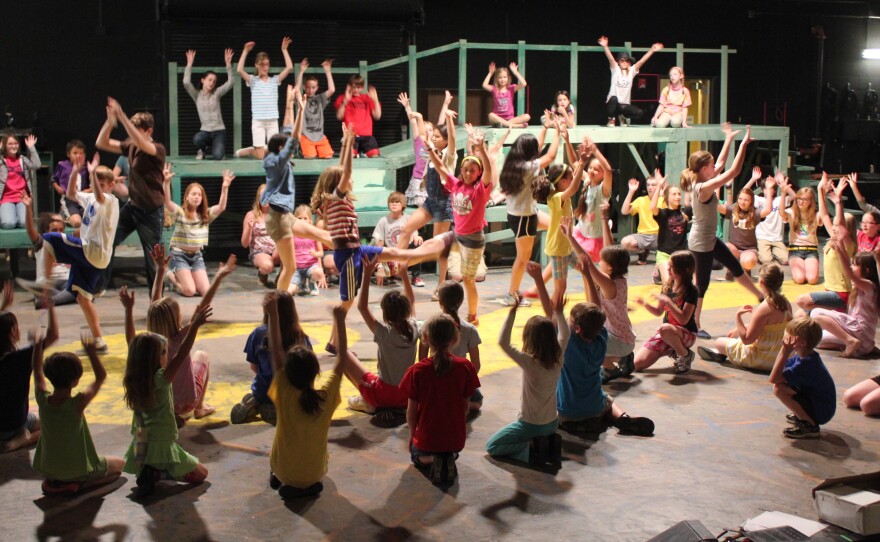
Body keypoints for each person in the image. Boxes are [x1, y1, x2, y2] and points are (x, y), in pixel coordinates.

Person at [123, 245, 234, 424]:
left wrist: (160, 271)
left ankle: (190, 409)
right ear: (176, 318)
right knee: (202, 356)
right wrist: (219, 277)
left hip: (158, 404)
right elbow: (203, 305)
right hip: (185, 405)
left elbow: (154, 304)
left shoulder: (147, 345)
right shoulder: (180, 337)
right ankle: (200, 406)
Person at [121, 304, 212, 498]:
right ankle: (158, 473)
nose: (167, 355)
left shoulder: (134, 377)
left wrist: (128, 310)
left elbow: (131, 341)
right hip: (161, 440)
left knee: (145, 464)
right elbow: (181, 353)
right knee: (202, 474)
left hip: (140, 439)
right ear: (156, 358)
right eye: (164, 352)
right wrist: (194, 327)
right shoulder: (161, 378)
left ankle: (147, 472)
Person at [486, 263, 567, 469]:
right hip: (552, 422)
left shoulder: (529, 362)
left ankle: (530, 449)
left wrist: (512, 311)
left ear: (528, 338)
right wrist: (559, 312)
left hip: (530, 424)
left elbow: (503, 342)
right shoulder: (558, 356)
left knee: (492, 446)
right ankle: (544, 442)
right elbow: (564, 334)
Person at [555, 269, 654, 436]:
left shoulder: (569, 345)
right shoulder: (602, 339)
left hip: (568, 413)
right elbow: (597, 309)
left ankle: (576, 424)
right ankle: (622, 417)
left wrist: (556, 308)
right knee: (607, 399)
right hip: (595, 407)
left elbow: (553, 317)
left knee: (551, 402)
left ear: (577, 329)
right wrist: (587, 275)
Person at [266, 300, 348, 500]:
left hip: (283, 469)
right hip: (315, 473)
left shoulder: (284, 392)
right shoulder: (324, 398)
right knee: (316, 464)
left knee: (277, 453)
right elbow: (343, 358)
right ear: (316, 372)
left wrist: (273, 316)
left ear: (287, 373)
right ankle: (309, 487)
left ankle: (281, 477)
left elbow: (276, 351)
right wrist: (340, 319)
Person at [687, 123, 763, 338]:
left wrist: (729, 139)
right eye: (710, 167)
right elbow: (734, 171)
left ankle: (759, 296)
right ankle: (695, 322)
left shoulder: (705, 180)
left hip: (709, 238)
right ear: (703, 170)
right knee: (701, 284)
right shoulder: (703, 187)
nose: (715, 168)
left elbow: (720, 164)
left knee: (734, 265)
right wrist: (743, 145)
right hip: (701, 242)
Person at [41, 152, 119, 355]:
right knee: (83, 298)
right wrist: (76, 171)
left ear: (110, 186)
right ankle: (100, 342)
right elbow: (70, 194)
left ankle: (43, 282)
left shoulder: (110, 200)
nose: (97, 187)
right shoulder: (92, 197)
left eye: (102, 184)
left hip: (91, 250)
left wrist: (92, 173)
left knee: (49, 238)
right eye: (95, 183)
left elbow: (101, 196)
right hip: (93, 257)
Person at [32, 332, 124, 495]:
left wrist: (38, 346)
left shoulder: (42, 399)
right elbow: (101, 377)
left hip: (49, 469)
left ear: (49, 376)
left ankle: (56, 483)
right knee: (120, 468)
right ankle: (79, 485)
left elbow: (37, 370)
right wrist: (91, 352)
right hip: (77, 471)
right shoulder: (77, 404)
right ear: (75, 381)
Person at [95, 97, 166, 297]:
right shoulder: (132, 147)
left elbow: (143, 143)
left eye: (137, 130)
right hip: (133, 208)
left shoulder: (157, 149)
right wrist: (110, 122)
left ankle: (157, 302)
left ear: (148, 131)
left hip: (151, 212)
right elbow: (101, 142)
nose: (131, 133)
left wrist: (123, 116)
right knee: (108, 240)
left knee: (153, 259)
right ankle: (98, 287)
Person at [262, 85, 330, 293]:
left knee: (324, 236)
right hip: (278, 219)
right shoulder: (276, 162)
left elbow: (288, 131)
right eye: (288, 146)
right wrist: (301, 111)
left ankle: (361, 256)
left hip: (286, 216)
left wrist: (290, 104)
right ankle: (277, 306)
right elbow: (294, 139)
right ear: (281, 148)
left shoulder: (278, 156)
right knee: (290, 267)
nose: (293, 150)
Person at [423, 124, 494, 324]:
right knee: (451, 271)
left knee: (468, 280)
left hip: (472, 240)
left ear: (478, 174)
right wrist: (429, 149)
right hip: (457, 236)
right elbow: (440, 167)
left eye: (473, 170)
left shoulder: (481, 190)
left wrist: (483, 150)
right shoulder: (456, 184)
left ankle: (472, 316)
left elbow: (488, 171)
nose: (469, 173)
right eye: (466, 169)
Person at [400, 313, 480, 486]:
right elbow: (465, 407)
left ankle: (430, 459)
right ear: (455, 339)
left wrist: (412, 435)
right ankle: (448, 456)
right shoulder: (465, 367)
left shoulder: (417, 371)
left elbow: (411, 412)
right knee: (451, 450)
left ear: (426, 338)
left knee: (415, 453)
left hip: (427, 439)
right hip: (456, 440)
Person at [395, 95, 459, 295]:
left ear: (445, 141)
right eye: (435, 136)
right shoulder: (431, 151)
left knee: (438, 246)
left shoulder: (449, 155)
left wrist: (448, 118)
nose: (434, 138)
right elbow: (423, 135)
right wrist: (417, 117)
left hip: (444, 204)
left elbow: (453, 140)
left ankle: (441, 286)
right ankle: (396, 262)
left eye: (439, 137)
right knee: (406, 228)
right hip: (431, 202)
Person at [499, 127, 562, 306]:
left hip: (527, 213)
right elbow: (549, 157)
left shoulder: (514, 163)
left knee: (559, 229)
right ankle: (512, 294)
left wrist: (545, 127)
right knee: (523, 259)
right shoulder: (527, 167)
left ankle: (545, 275)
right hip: (523, 218)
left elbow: (539, 149)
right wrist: (557, 132)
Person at [346, 258, 418, 414]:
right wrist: (404, 275)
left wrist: (366, 274)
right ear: (407, 310)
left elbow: (362, 307)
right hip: (407, 396)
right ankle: (371, 399)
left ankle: (368, 401)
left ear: (385, 314)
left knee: (343, 356)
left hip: (383, 396)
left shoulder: (384, 332)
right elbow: (411, 301)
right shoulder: (414, 327)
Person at [231, 290, 312, 425]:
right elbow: (309, 372)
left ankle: (258, 402)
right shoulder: (302, 338)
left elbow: (254, 366)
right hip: (293, 395)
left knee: (266, 397)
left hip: (265, 390)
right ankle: (271, 409)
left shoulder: (258, 334)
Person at [698, 263, 792, 371]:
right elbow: (772, 327)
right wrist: (742, 327)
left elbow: (747, 340)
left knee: (719, 342)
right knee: (735, 338)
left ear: (761, 282)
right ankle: (722, 353)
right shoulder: (786, 304)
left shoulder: (764, 308)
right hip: (780, 357)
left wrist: (738, 317)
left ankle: (721, 353)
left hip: (761, 359)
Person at [0, 283, 57, 453]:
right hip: (12, 426)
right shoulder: (20, 359)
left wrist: (4, 308)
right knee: (55, 422)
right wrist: (51, 307)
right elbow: (53, 336)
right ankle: (22, 440)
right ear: (12, 333)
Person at [164, 168, 234, 297]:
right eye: (193, 194)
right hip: (179, 255)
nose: (197, 197)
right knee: (190, 291)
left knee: (205, 292)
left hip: (196, 256)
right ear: (186, 197)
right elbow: (167, 202)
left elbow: (221, 207)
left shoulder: (205, 215)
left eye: (199, 195)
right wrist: (167, 182)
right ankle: (171, 277)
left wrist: (225, 188)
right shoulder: (181, 213)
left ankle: (185, 278)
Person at [419, 280, 483, 412]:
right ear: (461, 301)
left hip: (435, 379)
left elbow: (422, 360)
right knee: (477, 402)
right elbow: (476, 365)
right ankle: (456, 403)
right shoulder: (470, 329)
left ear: (440, 303)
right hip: (459, 381)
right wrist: (464, 383)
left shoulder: (428, 326)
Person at [795, 175, 856, 315]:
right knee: (799, 315)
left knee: (802, 300)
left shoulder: (847, 245)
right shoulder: (833, 239)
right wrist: (820, 190)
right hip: (829, 291)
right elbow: (824, 215)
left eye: (837, 225)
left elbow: (839, 225)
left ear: (846, 229)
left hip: (840, 295)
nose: (833, 227)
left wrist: (838, 202)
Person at [530, 153, 587, 300]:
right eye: (570, 177)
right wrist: (582, 164)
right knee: (560, 288)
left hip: (566, 247)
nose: (573, 179)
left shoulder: (560, 193)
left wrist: (580, 161)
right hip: (559, 249)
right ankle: (554, 316)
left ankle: (591, 302)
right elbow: (574, 187)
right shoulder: (556, 198)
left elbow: (574, 180)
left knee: (585, 268)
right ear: (562, 181)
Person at [632, 250, 699, 374]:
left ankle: (685, 355)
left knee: (664, 328)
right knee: (636, 364)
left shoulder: (691, 290)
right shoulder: (668, 287)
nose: (667, 268)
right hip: (667, 335)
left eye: (672, 266)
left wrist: (668, 302)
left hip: (686, 334)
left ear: (683, 269)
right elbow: (658, 312)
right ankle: (674, 349)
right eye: (668, 265)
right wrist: (644, 303)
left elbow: (683, 320)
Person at [768, 317, 836, 439]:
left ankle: (810, 425)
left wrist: (784, 352)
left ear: (802, 343)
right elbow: (779, 371)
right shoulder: (803, 356)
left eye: (788, 336)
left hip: (822, 410)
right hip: (818, 402)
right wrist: (784, 351)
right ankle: (803, 414)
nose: (784, 338)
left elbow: (774, 378)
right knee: (783, 385)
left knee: (779, 389)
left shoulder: (805, 364)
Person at [811, 244, 880, 357]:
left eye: (854, 265)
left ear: (866, 270)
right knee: (818, 340)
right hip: (863, 340)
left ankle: (850, 341)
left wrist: (838, 251)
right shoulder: (863, 286)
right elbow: (849, 271)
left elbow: (848, 273)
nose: (851, 267)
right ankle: (859, 345)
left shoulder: (869, 286)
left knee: (815, 313)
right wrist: (841, 248)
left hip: (859, 331)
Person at [235, 37, 294, 159]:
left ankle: (262, 147)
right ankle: (252, 150)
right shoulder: (253, 81)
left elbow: (289, 68)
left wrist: (284, 49)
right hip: (258, 121)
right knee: (261, 156)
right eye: (261, 64)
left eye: (266, 64)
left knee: (274, 154)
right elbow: (239, 70)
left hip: (272, 120)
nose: (264, 67)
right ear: (256, 65)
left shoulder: (274, 80)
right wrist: (245, 51)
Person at [18, 196, 76, 309]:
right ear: (46, 231)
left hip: (66, 281)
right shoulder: (42, 242)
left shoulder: (68, 243)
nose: (58, 233)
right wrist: (28, 208)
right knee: (44, 288)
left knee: (77, 287)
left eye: (61, 230)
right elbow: (30, 230)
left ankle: (46, 301)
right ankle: (68, 297)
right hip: (47, 283)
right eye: (54, 230)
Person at [599, 36, 663, 126]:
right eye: (622, 61)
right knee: (613, 98)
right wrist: (605, 46)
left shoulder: (631, 71)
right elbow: (610, 59)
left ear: (629, 63)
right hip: (612, 104)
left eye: (627, 61)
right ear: (618, 62)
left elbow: (641, 61)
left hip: (623, 105)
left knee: (639, 113)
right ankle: (611, 119)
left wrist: (652, 50)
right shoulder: (615, 70)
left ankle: (622, 117)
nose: (624, 62)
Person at [184, 48, 234, 160]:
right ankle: (202, 149)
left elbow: (230, 82)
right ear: (203, 80)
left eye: (214, 81)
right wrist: (189, 64)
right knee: (197, 138)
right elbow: (186, 83)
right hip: (205, 131)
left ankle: (218, 149)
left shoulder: (217, 93)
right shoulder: (197, 95)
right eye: (209, 80)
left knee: (218, 156)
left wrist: (228, 65)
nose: (212, 83)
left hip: (219, 131)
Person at [717, 182, 773, 277]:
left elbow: (767, 210)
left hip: (749, 249)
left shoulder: (755, 213)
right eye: (740, 199)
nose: (742, 202)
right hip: (734, 247)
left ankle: (745, 270)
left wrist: (769, 191)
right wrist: (715, 187)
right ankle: (732, 268)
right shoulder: (733, 210)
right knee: (725, 247)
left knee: (748, 261)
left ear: (751, 201)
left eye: (746, 200)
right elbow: (718, 207)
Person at [572, 137, 613, 263]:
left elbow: (608, 171)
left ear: (602, 175)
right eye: (590, 168)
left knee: (597, 270)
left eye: (596, 169)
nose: (592, 171)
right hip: (582, 233)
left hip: (596, 238)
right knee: (585, 268)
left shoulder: (603, 190)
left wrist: (595, 150)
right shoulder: (588, 182)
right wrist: (567, 140)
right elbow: (574, 163)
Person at [371, 191, 423, 287]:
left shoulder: (408, 219)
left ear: (402, 204)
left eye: (397, 202)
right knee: (371, 251)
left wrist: (417, 236)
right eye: (391, 202)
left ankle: (415, 277)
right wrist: (380, 265)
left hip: (406, 255)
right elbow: (379, 245)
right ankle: (390, 275)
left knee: (418, 243)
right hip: (391, 256)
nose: (394, 204)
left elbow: (415, 235)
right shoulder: (383, 221)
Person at [651, 174, 691, 284]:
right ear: (667, 197)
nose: (678, 196)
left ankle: (662, 272)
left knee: (681, 284)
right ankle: (659, 271)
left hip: (679, 255)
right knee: (669, 282)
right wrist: (659, 186)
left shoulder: (684, 212)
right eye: (674, 194)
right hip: (664, 254)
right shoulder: (663, 213)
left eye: (679, 194)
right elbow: (652, 207)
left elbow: (691, 202)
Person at [293, 58, 335, 159]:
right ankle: (301, 149)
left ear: (317, 88)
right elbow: (296, 90)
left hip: (320, 136)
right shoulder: (302, 99)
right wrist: (301, 71)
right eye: (308, 87)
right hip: (306, 136)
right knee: (309, 157)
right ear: (304, 87)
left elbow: (332, 90)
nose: (310, 90)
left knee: (328, 156)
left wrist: (328, 71)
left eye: (313, 87)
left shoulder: (320, 99)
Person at [620, 171, 665, 265]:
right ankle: (642, 251)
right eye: (648, 185)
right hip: (643, 236)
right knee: (625, 242)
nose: (650, 187)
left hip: (660, 235)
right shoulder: (641, 200)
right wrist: (631, 191)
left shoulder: (663, 200)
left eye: (653, 185)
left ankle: (661, 253)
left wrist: (663, 184)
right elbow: (624, 211)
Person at [242, 184, 280, 289]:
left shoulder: (278, 215)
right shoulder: (251, 215)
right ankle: (263, 274)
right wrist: (249, 228)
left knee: (287, 251)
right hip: (259, 252)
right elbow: (245, 244)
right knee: (268, 266)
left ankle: (281, 277)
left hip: (276, 251)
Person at [334, 75, 382, 157]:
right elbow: (339, 116)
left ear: (362, 87)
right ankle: (356, 153)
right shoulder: (343, 98)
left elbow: (377, 116)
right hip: (351, 135)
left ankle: (363, 153)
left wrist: (375, 100)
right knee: (350, 156)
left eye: (358, 87)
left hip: (367, 136)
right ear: (349, 87)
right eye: (353, 87)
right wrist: (345, 101)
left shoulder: (367, 99)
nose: (356, 90)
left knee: (374, 155)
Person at [781, 183, 820, 285]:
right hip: (795, 250)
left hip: (811, 250)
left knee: (812, 280)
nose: (801, 201)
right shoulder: (792, 212)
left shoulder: (816, 214)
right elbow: (782, 213)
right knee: (800, 279)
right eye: (799, 198)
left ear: (811, 202)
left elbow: (824, 214)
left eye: (805, 199)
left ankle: (809, 268)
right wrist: (783, 193)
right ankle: (798, 271)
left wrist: (822, 192)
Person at [397, 92, 431, 208]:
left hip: (430, 180)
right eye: (426, 129)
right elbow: (413, 122)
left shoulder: (435, 144)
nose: (427, 132)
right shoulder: (419, 142)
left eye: (430, 130)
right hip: (418, 178)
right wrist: (407, 107)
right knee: (419, 204)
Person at [0, 133, 40, 229]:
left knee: (24, 224)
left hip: (22, 198)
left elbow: (36, 165)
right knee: (8, 224)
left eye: (16, 143)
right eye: (10, 144)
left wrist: (32, 148)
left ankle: (16, 216)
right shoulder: (2, 161)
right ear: (5, 145)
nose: (13, 146)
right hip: (7, 198)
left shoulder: (22, 159)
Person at [755, 171, 792, 266]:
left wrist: (783, 184)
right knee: (767, 260)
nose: (770, 190)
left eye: (772, 189)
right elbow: (744, 193)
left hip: (776, 239)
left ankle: (774, 253)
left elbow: (794, 197)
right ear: (763, 190)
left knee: (787, 260)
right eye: (767, 188)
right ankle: (762, 254)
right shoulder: (759, 200)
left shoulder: (779, 200)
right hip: (762, 238)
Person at [50, 139, 89, 227]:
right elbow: (53, 179)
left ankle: (74, 215)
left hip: (83, 199)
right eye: (75, 153)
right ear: (68, 154)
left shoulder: (87, 168)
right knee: (77, 223)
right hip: (68, 200)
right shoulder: (62, 166)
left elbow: (93, 184)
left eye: (81, 153)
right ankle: (64, 214)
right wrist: (57, 188)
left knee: (89, 222)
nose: (78, 156)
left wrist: (88, 190)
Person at [482, 61, 530, 128]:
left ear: (508, 78)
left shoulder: (511, 88)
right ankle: (515, 126)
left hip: (510, 119)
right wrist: (490, 73)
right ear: (497, 79)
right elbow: (484, 85)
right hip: (497, 120)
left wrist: (515, 72)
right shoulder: (494, 89)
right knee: (491, 115)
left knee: (527, 116)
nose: (502, 79)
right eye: (500, 78)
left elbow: (524, 83)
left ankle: (506, 124)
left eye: (504, 77)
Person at [291, 204, 326, 296]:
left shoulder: (314, 234)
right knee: (290, 292)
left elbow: (321, 253)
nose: (302, 221)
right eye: (299, 218)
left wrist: (315, 254)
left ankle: (311, 282)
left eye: (305, 218)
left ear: (310, 220)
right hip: (296, 268)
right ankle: (301, 283)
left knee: (318, 273)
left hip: (310, 266)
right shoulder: (292, 235)